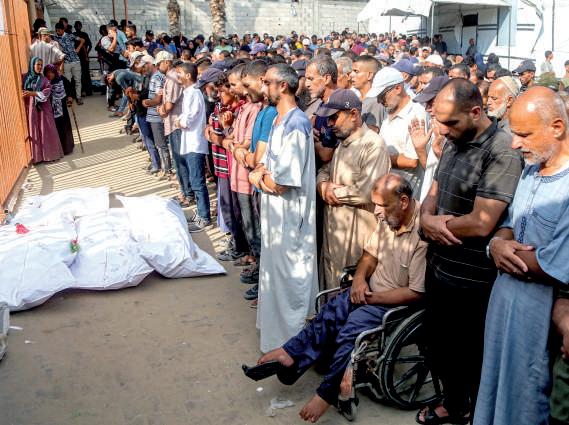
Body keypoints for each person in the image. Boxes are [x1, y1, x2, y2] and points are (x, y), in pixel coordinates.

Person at [243, 173, 427, 423]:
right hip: (369, 292)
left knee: (350, 330)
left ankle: (326, 393)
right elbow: (369, 255)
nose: (376, 212)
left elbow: (415, 292)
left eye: (381, 205)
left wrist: (372, 298)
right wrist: (359, 279)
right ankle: (291, 352)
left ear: (403, 201)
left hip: (393, 305)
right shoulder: (389, 218)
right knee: (330, 310)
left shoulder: (422, 235)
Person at [417, 78, 523, 424]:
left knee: (471, 356)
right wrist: (426, 218)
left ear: (476, 112)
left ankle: (473, 412)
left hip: (473, 282)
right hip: (439, 268)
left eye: (450, 122)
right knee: (438, 347)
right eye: (439, 121)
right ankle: (453, 403)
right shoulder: (453, 140)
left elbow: (481, 222)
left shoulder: (502, 150)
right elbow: (433, 191)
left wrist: (435, 226)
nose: (442, 130)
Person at [475, 87, 569, 425]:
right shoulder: (532, 169)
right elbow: (509, 226)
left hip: (539, 317)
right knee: (495, 390)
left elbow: (552, 265)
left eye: (524, 134)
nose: (515, 144)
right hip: (504, 307)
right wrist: (497, 245)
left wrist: (502, 251)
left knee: (526, 400)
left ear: (557, 127)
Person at [249, 63, 318, 353]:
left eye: (267, 82)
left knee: (291, 282)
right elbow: (265, 164)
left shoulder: (296, 124)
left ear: (283, 86)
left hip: (290, 219)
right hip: (276, 217)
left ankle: (291, 346)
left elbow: (282, 183)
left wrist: (257, 178)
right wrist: (261, 172)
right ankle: (276, 339)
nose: (263, 87)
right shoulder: (279, 120)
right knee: (275, 277)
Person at [316, 89, 391, 289]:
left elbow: (366, 192)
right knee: (330, 286)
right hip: (334, 233)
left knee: (349, 290)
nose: (330, 123)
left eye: (334, 117)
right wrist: (323, 186)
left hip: (357, 237)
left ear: (354, 114)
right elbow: (324, 171)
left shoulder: (373, 145)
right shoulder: (342, 143)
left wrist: (331, 193)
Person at [368, 67, 427, 198]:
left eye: (382, 95)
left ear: (398, 88)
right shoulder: (388, 111)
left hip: (406, 196)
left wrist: (377, 157)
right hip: (388, 193)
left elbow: (411, 161)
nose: (379, 101)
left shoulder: (416, 114)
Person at [174, 62, 211, 232]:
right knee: (194, 180)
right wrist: (180, 120)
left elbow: (189, 118)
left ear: (188, 75)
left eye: (180, 73)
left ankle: (204, 217)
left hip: (195, 143)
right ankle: (200, 212)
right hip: (190, 142)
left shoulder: (194, 93)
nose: (178, 76)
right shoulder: (188, 92)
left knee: (197, 182)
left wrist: (179, 122)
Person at [408, 76, 449, 202]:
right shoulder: (435, 129)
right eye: (426, 104)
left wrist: (439, 152)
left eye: (432, 103)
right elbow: (432, 172)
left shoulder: (460, 137)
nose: (427, 109)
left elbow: (453, 180)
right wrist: (420, 150)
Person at [158, 59, 192, 206]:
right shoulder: (170, 77)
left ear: (167, 62)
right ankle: (185, 191)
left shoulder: (172, 78)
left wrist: (161, 109)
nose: (157, 66)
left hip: (176, 124)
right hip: (174, 124)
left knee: (180, 161)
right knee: (179, 161)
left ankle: (188, 193)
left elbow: (168, 106)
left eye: (159, 63)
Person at [22, 57, 64, 163]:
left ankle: (50, 155)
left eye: (41, 65)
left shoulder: (44, 80)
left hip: (44, 109)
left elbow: (47, 92)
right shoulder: (25, 78)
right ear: (32, 65)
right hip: (31, 109)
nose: (40, 67)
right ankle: (37, 157)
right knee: (34, 131)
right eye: (38, 64)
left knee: (46, 131)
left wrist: (33, 93)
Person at [143, 50, 174, 180]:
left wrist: (146, 102)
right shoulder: (165, 76)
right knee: (165, 144)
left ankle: (167, 170)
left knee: (161, 144)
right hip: (161, 114)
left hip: (156, 115)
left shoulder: (157, 77)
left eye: (158, 63)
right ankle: (168, 168)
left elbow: (157, 99)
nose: (157, 66)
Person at [43, 64, 75, 155]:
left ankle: (67, 148)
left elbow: (69, 87)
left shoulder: (61, 79)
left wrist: (70, 97)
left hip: (62, 108)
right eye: (48, 73)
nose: (50, 75)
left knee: (64, 127)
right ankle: (58, 149)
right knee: (55, 129)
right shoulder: (45, 82)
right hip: (51, 109)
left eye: (52, 72)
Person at [350, 55, 384, 133]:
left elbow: (371, 134)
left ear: (369, 75)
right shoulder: (358, 99)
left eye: (356, 71)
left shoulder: (376, 102)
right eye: (352, 71)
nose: (351, 75)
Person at [53, 22, 85, 104]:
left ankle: (78, 97)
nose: (57, 32)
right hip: (66, 62)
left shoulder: (70, 36)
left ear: (63, 30)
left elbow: (82, 40)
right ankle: (69, 97)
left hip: (75, 60)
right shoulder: (55, 38)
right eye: (56, 30)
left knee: (78, 80)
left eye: (59, 30)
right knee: (67, 81)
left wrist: (78, 48)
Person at [73, 21, 92, 97]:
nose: (78, 27)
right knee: (82, 74)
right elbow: (90, 46)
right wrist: (86, 54)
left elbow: (89, 46)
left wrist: (86, 54)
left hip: (81, 57)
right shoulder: (75, 35)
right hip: (79, 57)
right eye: (77, 26)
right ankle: (85, 91)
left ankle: (85, 91)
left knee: (83, 74)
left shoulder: (81, 34)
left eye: (79, 26)